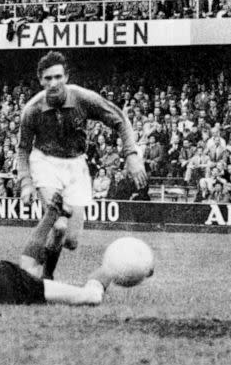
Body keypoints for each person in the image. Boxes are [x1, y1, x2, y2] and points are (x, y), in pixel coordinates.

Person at [18, 51, 147, 280]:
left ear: (66, 76)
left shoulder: (82, 98)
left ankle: (45, 276)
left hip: (76, 165)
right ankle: (45, 279)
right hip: (45, 162)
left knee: (70, 240)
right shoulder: (32, 109)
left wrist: (132, 155)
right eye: (48, 78)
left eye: (58, 77)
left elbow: (119, 120)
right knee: (57, 224)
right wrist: (26, 182)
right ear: (40, 80)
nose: (53, 83)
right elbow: (23, 149)